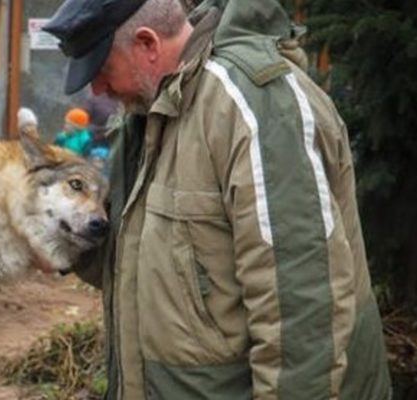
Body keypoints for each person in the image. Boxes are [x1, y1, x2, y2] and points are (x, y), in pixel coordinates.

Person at [43, 1, 391, 399]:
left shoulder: (252, 108)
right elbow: (146, 265)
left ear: (147, 43)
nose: (98, 90)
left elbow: (301, 312)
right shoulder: (147, 115)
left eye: (102, 70)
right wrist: (62, 242)